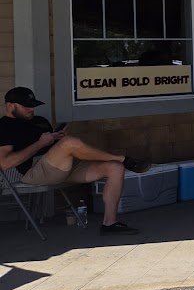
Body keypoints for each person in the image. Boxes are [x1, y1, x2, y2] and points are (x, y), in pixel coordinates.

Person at [0, 86, 152, 235]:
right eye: (26, 107)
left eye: (33, 106)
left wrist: (56, 138)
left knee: (115, 168)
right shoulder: (4, 127)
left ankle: (109, 223)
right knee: (70, 143)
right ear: (10, 106)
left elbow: (53, 146)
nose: (31, 110)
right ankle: (124, 159)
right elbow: (5, 163)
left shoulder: (39, 120)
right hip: (34, 171)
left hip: (61, 165)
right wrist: (41, 143)